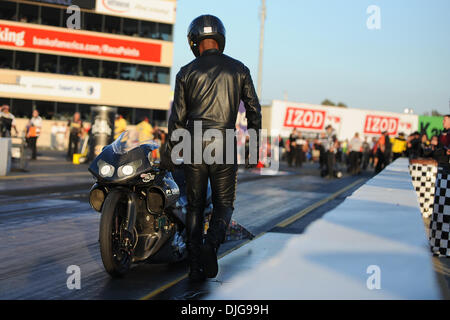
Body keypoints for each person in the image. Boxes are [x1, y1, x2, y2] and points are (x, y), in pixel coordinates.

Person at [160, 15, 261, 281]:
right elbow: (254, 111)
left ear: (194, 40)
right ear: (220, 39)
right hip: (224, 141)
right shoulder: (239, 69)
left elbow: (177, 119)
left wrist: (169, 155)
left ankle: (194, 266)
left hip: (192, 142)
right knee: (224, 205)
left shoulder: (185, 71)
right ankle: (210, 246)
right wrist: (255, 148)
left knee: (193, 207)